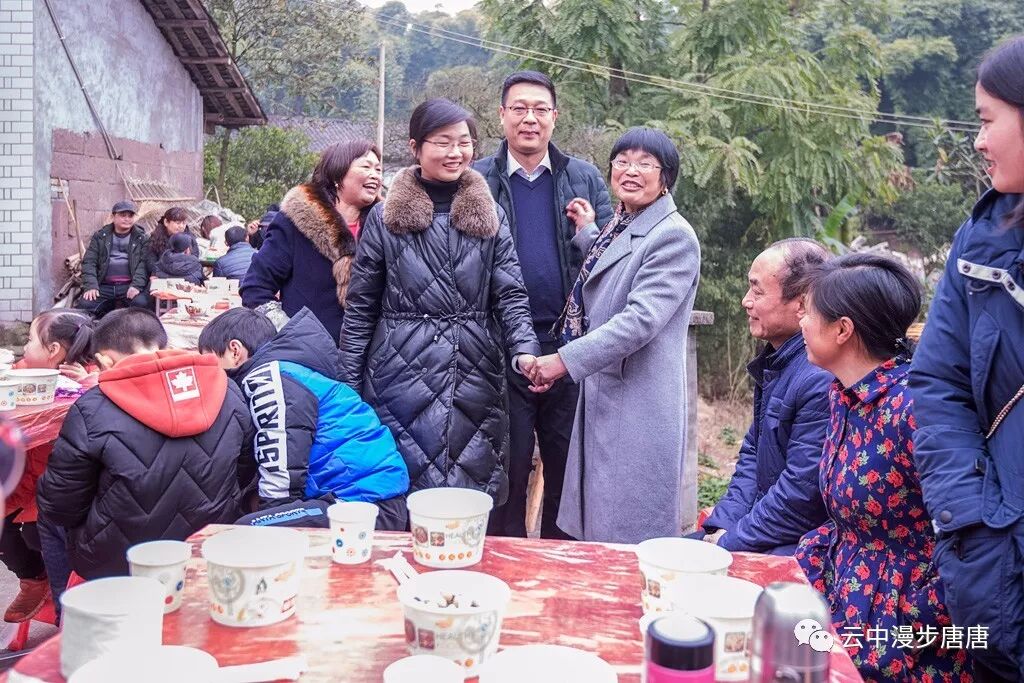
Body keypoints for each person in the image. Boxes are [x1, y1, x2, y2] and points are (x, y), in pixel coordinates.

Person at [339, 98, 542, 505]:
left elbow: (510, 294)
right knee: (400, 491)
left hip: (475, 371)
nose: (455, 152)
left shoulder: (491, 216)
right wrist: (348, 384)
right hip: (399, 372)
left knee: (469, 494)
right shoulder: (385, 219)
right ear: (415, 147)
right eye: (443, 142)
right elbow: (361, 308)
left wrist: (525, 349)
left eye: (464, 142)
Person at [795, 252, 971, 681]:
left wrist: (914, 619)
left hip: (908, 635)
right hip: (848, 599)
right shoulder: (846, 396)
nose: (801, 322)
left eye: (808, 311)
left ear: (842, 329)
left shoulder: (914, 408)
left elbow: (967, 535)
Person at [910, 35, 1024, 682]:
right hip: (997, 557)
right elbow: (938, 382)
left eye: (987, 120)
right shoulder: (980, 245)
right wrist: (976, 523)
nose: (978, 142)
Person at [525, 127, 701, 544]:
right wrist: (587, 230)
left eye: (645, 164)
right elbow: (615, 260)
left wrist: (562, 361)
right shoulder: (623, 223)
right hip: (607, 393)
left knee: (627, 530)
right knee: (599, 522)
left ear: (666, 178)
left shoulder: (675, 236)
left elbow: (640, 319)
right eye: (622, 161)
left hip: (638, 403)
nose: (630, 171)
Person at [473, 71, 613, 539]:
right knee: (506, 470)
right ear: (502, 116)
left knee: (567, 470)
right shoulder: (477, 181)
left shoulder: (583, 177)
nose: (529, 119)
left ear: (555, 116)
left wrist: (589, 232)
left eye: (539, 109)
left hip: (569, 348)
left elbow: (612, 258)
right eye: (519, 109)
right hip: (499, 348)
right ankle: (506, 563)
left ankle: (559, 564)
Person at [37, 308, 256, 579]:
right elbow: (245, 470)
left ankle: (66, 603)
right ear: (163, 347)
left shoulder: (91, 408)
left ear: (104, 360)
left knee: (46, 519)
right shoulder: (226, 389)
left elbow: (61, 505)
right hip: (210, 545)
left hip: (119, 562)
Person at [198, 307, 411, 530]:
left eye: (211, 363)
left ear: (234, 351)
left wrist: (271, 514)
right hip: (370, 495)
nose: (211, 375)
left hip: (363, 504)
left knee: (244, 529)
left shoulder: (267, 378)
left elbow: (280, 461)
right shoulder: (293, 371)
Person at [697, 239, 832, 554]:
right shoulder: (778, 363)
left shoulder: (818, 378)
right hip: (761, 527)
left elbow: (800, 497)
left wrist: (730, 541)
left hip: (799, 543)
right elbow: (753, 456)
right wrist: (722, 525)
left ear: (802, 303)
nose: (745, 301)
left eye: (757, 292)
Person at [0, 310, 93, 622]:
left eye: (30, 340)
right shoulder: (24, 376)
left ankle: (60, 594)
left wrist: (89, 387)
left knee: (33, 533)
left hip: (60, 491)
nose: (24, 348)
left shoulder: (89, 382)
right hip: (25, 479)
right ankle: (33, 579)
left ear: (53, 350)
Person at [241, 143, 382, 343]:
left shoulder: (385, 228)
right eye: (366, 167)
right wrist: (292, 335)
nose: (375, 175)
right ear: (337, 174)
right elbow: (255, 288)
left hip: (370, 353)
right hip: (306, 354)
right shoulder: (294, 223)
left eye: (378, 169)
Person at [78, 200, 150, 316]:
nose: (127, 219)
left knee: (141, 304)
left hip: (129, 285)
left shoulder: (142, 238)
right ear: (113, 216)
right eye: (123, 215)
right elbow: (89, 262)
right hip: (104, 285)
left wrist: (136, 285)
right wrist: (91, 285)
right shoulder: (100, 236)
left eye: (130, 216)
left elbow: (144, 264)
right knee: (85, 305)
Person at [146, 207, 200, 277]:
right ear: (166, 222)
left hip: (185, 275)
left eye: (183, 223)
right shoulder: (155, 239)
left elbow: (194, 260)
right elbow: (151, 262)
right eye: (178, 223)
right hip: (161, 276)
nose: (181, 226)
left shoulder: (190, 238)